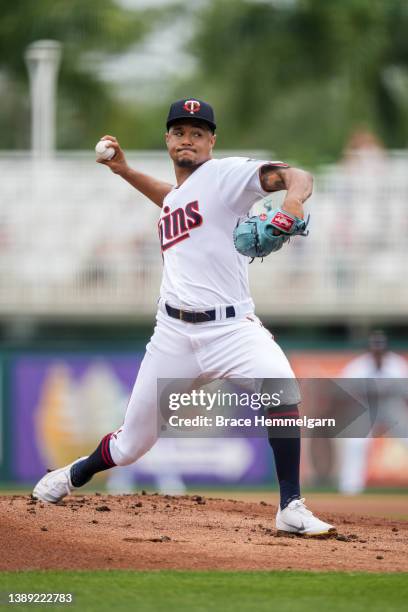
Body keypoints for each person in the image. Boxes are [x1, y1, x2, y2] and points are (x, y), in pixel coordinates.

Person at [33, 98, 335, 537]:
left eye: (197, 132)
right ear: (168, 139)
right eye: (179, 131)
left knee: (282, 388)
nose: (187, 139)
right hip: (173, 334)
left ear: (212, 141)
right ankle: (72, 475)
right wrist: (125, 171)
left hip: (231, 328)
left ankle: (291, 505)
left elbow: (299, 176)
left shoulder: (225, 176)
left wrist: (291, 202)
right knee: (131, 445)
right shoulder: (181, 196)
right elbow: (172, 200)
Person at [338, 330, 408, 494]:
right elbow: (345, 392)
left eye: (380, 347)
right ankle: (350, 489)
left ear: (385, 349)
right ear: (369, 349)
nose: (377, 350)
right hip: (366, 407)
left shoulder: (397, 364)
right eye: (375, 347)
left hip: (391, 406)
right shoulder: (358, 366)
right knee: (355, 443)